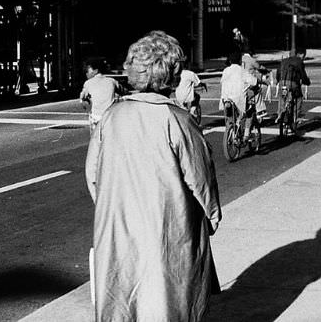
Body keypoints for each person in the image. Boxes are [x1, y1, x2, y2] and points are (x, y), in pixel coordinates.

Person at [85, 30, 221, 321]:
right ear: (171, 73)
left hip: (118, 229)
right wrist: (211, 217)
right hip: (169, 229)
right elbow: (201, 180)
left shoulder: (111, 117)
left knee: (123, 300)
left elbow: (93, 176)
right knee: (166, 300)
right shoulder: (177, 119)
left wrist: (111, 209)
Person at [79, 57, 123, 136]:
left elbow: (82, 97)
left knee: (94, 137)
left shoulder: (88, 83)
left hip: (96, 117)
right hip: (110, 117)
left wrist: (84, 101)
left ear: (95, 71)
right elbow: (123, 91)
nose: (86, 74)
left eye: (87, 71)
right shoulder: (112, 81)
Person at [220, 51, 259, 130]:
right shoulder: (242, 71)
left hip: (225, 99)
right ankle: (246, 134)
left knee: (229, 117)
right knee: (250, 113)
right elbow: (254, 82)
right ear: (240, 61)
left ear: (230, 61)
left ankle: (230, 132)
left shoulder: (225, 71)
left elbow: (222, 82)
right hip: (238, 99)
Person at [276, 46, 311, 123]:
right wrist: (307, 82)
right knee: (299, 98)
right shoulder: (299, 61)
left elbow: (278, 72)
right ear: (301, 54)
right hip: (293, 84)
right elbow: (303, 75)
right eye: (304, 56)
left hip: (282, 83)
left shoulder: (283, 61)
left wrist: (278, 81)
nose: (303, 58)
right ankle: (296, 117)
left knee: (282, 97)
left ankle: (280, 114)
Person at [241, 52, 271, 120]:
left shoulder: (240, 59)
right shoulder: (251, 60)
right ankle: (260, 111)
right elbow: (259, 67)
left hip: (240, 83)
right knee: (258, 91)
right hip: (249, 81)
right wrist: (267, 70)